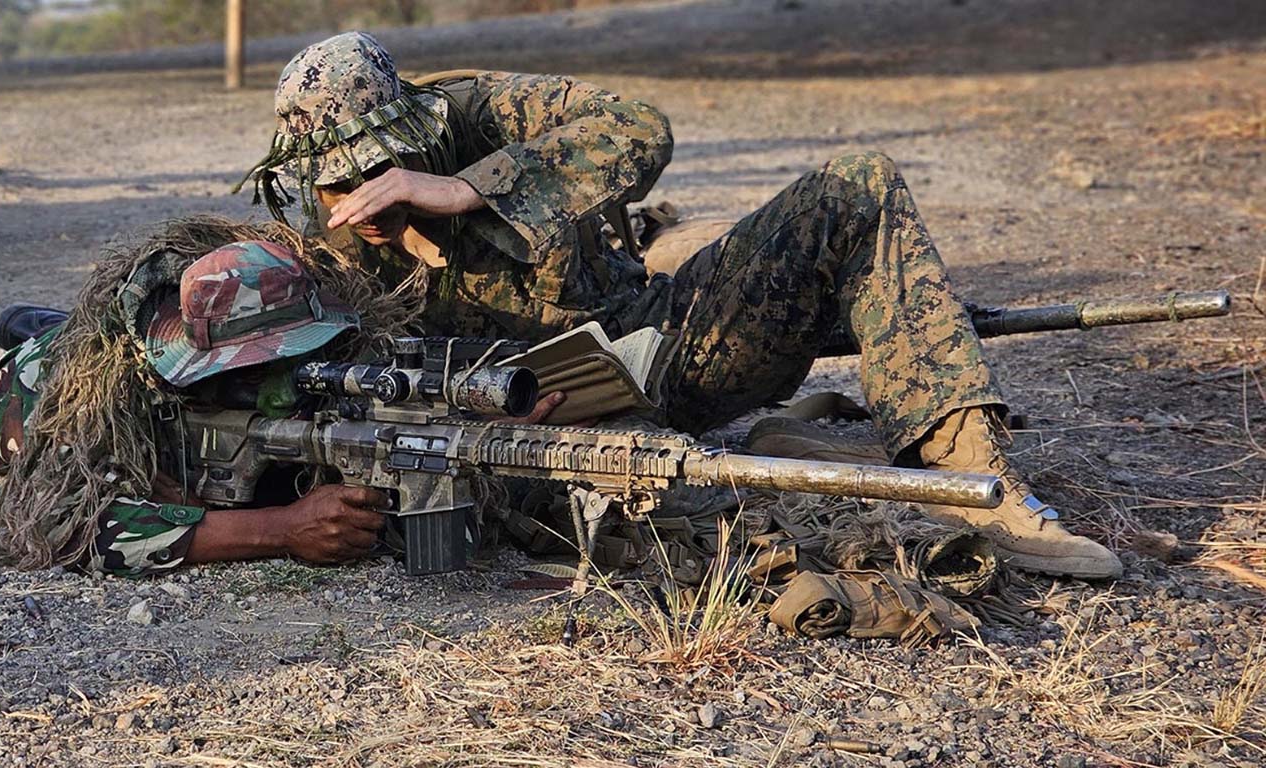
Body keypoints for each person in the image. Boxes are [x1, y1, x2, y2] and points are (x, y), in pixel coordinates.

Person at [235, 32, 1121, 580]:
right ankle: (807, 453)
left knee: (857, 186)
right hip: (540, 436)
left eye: (379, 169)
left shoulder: (476, 112)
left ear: (415, 131)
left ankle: (974, 480)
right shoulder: (326, 242)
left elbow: (638, 127)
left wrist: (470, 189)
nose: (363, 199)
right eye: (337, 182)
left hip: (669, 346)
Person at [0, 239, 407, 575]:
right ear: (199, 376)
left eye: (299, 361)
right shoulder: (100, 393)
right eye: (252, 375)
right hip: (28, 382)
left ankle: (35, 322)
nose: (283, 396)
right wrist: (282, 529)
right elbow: (63, 527)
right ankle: (31, 335)